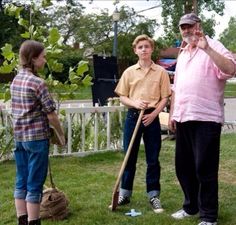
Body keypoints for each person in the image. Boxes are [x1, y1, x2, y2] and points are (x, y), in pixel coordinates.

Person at [168, 13, 236, 225]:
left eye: (190, 26)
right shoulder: (183, 53)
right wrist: (172, 114)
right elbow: (176, 87)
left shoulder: (214, 45)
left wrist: (207, 48)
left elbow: (231, 69)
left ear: (198, 25)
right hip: (183, 116)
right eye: (183, 27)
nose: (186, 30)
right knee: (184, 167)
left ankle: (208, 216)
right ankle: (191, 207)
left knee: (204, 169)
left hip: (206, 118)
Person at [10, 40, 66, 225]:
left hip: (20, 138)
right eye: (43, 57)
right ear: (33, 59)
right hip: (36, 139)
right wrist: (61, 134)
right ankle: (34, 221)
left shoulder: (16, 80)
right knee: (34, 184)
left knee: (21, 180)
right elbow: (51, 115)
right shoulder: (38, 83)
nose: (45, 60)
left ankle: (22, 221)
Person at [114, 34, 171, 213]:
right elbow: (122, 96)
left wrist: (154, 114)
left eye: (147, 46)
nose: (144, 49)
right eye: (140, 47)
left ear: (152, 49)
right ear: (135, 51)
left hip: (151, 118)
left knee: (152, 159)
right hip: (133, 116)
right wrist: (135, 103)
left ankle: (153, 195)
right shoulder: (129, 72)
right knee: (129, 155)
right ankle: (125, 193)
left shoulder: (161, 72)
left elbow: (165, 98)